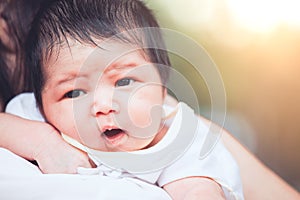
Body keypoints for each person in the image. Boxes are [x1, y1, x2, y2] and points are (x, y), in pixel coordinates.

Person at [0, 0, 299, 200]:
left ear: (162, 89)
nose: (102, 105)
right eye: (74, 92)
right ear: (40, 103)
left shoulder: (178, 142)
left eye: (124, 81)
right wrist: (38, 141)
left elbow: (197, 188)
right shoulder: (35, 117)